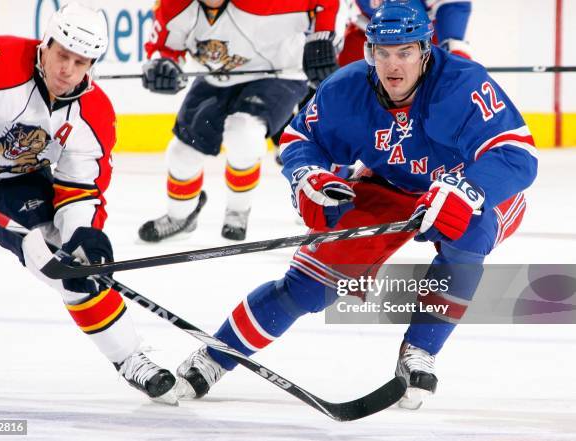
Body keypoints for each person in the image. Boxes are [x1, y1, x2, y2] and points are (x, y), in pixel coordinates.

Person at [172, 0, 538, 409]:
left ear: (425, 49)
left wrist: (467, 190)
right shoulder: (347, 89)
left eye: (405, 52)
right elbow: (300, 140)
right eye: (383, 52)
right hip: (389, 183)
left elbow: (517, 154)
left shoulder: (464, 83)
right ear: (369, 52)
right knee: (309, 286)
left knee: (468, 234)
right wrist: (309, 177)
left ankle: (420, 351)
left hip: (469, 183)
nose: (393, 65)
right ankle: (216, 355)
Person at [0, 3, 177, 404]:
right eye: (62, 55)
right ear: (46, 44)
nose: (67, 70)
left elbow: (80, 188)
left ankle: (130, 357)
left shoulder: (93, 114)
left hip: (12, 186)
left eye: (80, 62)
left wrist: (84, 234)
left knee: (68, 268)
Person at [138, 0, 340, 242]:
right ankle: (180, 216)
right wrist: (164, 65)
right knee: (182, 153)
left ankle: (237, 210)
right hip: (215, 78)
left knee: (245, 133)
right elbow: (165, 47)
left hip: (278, 74)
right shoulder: (174, 5)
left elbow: (325, 4)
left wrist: (321, 37)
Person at [338, 0, 472, 66]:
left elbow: (451, 6)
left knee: (454, 68)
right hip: (368, 33)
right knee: (343, 83)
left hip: (419, 37)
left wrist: (453, 52)